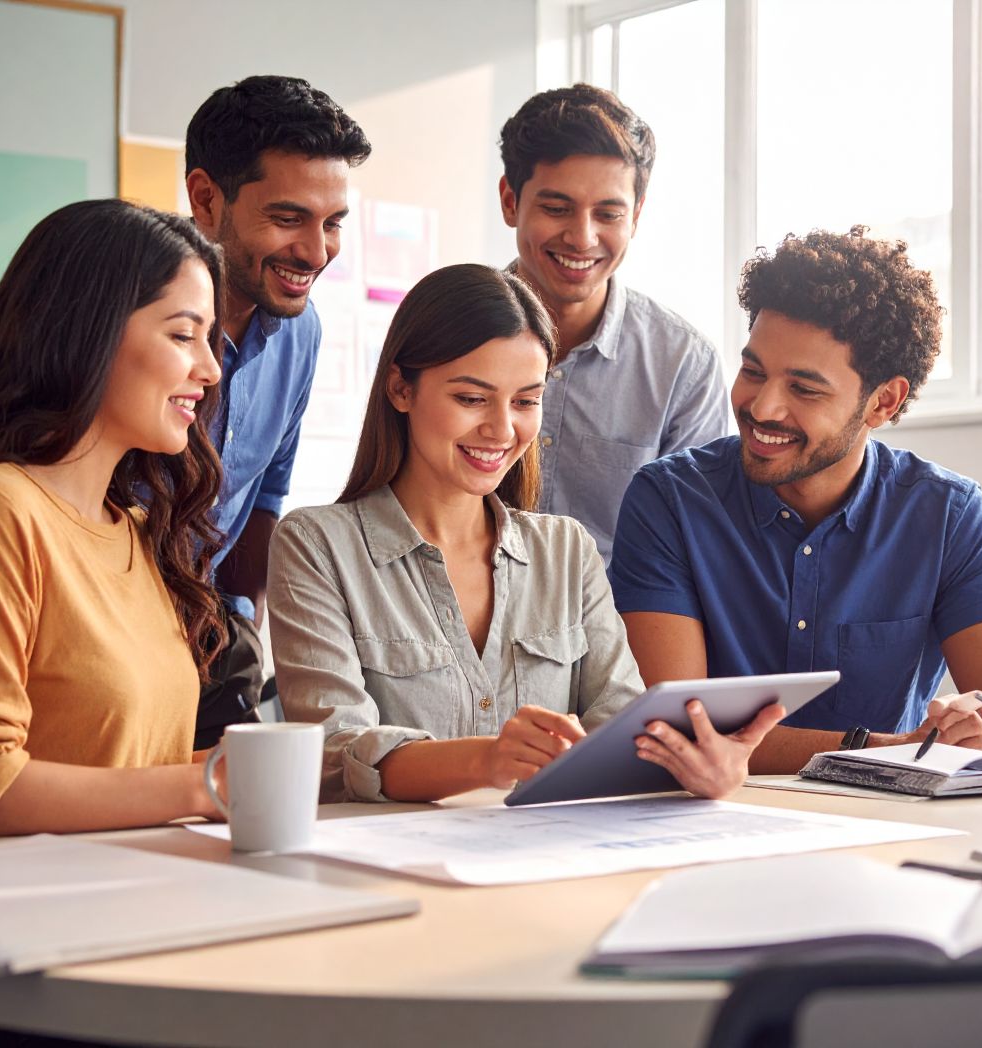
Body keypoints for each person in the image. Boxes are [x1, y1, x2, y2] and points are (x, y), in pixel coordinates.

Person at [266, 264, 782, 804]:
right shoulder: (316, 545)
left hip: (547, 861)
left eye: (525, 401)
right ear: (401, 388)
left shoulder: (566, 550)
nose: (502, 429)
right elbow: (335, 751)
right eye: (471, 398)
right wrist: (485, 759)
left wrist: (701, 767)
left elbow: (625, 725)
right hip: (389, 867)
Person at [610, 227, 982, 772]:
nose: (763, 407)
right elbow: (681, 731)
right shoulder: (670, 501)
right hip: (714, 814)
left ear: (882, 402)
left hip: (890, 823)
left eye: (804, 389)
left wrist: (978, 724)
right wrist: (891, 751)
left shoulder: (948, 516)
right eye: (753, 371)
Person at [0, 199, 228, 836]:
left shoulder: (138, 527)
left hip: (143, 895)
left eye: (209, 338)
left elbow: (128, 766)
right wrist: (201, 785)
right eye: (181, 334)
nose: (211, 368)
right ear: (89, 328)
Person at [184, 75, 372, 746]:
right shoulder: (127, 315)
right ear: (207, 201)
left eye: (333, 224)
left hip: (214, 642)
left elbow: (265, 493)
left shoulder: (301, 331)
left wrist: (244, 630)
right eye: (289, 218)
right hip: (107, 637)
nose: (316, 252)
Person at [497, 84, 728, 563]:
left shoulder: (684, 366)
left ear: (636, 216)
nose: (582, 238)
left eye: (608, 214)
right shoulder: (442, 330)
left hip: (611, 633)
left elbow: (693, 555)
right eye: (557, 209)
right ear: (510, 201)